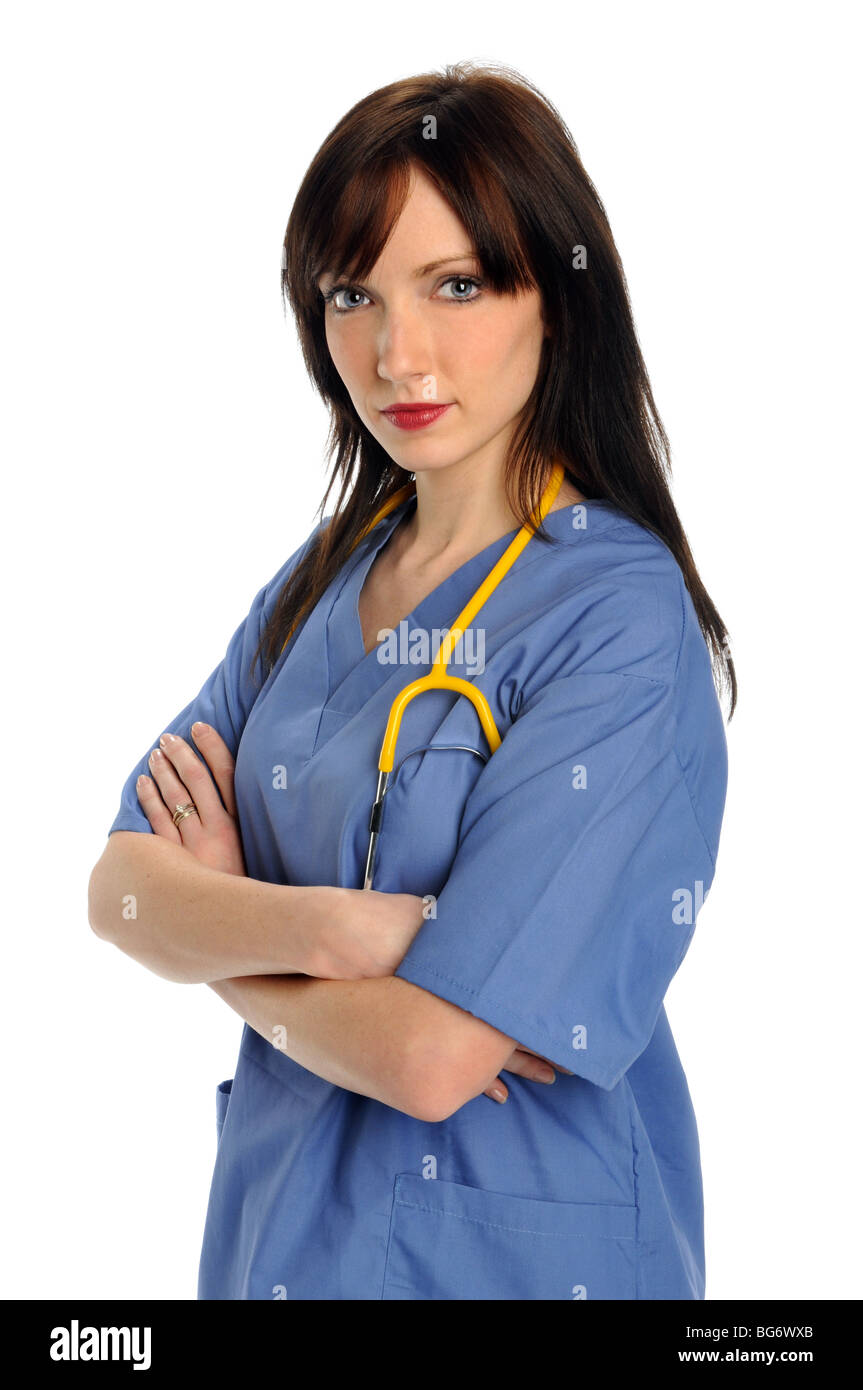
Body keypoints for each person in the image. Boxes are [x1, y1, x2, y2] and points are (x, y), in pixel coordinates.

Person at [89, 61, 735, 1301]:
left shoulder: (616, 622)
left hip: (513, 1266)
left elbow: (435, 1059)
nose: (396, 353)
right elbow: (118, 893)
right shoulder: (318, 583)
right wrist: (333, 931)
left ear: (557, 295)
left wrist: (220, 933)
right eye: (352, 294)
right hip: (279, 1246)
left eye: (456, 285)